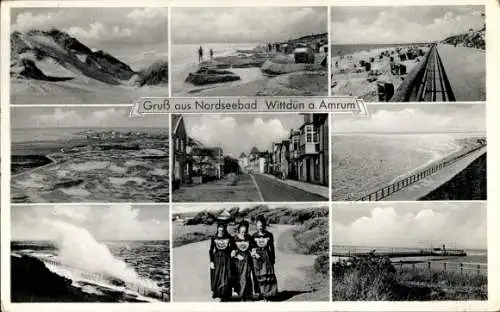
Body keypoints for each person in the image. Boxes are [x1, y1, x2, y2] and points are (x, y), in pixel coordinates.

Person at [251, 215, 278, 301]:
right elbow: (252, 248)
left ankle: (268, 295)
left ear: (264, 225)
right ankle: (259, 293)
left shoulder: (269, 235)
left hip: (267, 255)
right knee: (258, 275)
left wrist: (273, 258)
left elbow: (272, 247)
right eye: (258, 225)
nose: (260, 227)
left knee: (267, 275)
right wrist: (255, 254)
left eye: (261, 225)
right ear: (256, 226)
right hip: (257, 257)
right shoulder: (254, 235)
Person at [232, 220, 258, 301]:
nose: (243, 232)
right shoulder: (235, 238)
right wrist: (236, 255)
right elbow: (232, 250)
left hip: (247, 260)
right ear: (239, 229)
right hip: (238, 261)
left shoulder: (249, 237)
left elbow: (253, 246)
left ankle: (246, 295)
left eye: (245, 230)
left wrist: (254, 252)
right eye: (242, 230)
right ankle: (240, 294)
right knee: (239, 277)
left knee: (246, 277)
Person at [209, 221, 235, 302]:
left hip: (226, 258)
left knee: (226, 276)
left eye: (222, 228)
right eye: (219, 227)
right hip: (217, 259)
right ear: (217, 228)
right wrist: (211, 261)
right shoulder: (214, 237)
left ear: (224, 229)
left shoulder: (229, 237)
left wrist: (233, 251)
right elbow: (210, 250)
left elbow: (233, 246)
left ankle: (225, 294)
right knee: (217, 276)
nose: (221, 229)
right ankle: (217, 293)